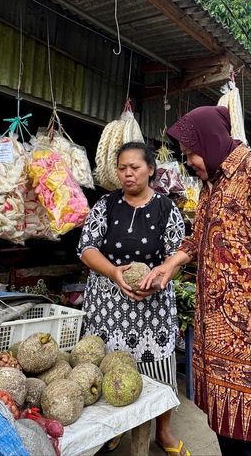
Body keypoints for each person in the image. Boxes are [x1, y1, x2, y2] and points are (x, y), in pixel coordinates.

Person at [140, 106, 251, 456]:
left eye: (191, 152)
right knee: (229, 427)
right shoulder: (211, 185)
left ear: (213, 140)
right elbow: (199, 237)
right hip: (221, 332)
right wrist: (170, 265)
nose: (188, 161)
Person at [77, 142, 189, 456]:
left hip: (152, 306)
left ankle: (163, 433)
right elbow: (87, 248)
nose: (127, 174)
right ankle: (115, 428)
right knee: (110, 366)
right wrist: (114, 273)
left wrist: (160, 279)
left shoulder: (166, 208)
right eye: (122, 168)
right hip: (108, 304)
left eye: (134, 168)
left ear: (150, 169)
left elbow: (177, 255)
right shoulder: (106, 204)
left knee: (159, 368)